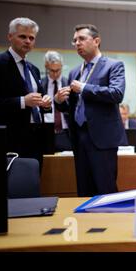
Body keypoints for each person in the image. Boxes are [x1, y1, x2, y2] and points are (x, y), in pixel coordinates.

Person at [55, 24, 126, 196]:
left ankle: (110, 223)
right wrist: (59, 102)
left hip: (102, 138)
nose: (77, 43)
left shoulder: (113, 65)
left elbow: (116, 94)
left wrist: (85, 88)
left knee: (105, 188)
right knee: (83, 189)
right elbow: (74, 106)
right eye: (74, 40)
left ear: (96, 41)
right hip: (79, 137)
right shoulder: (74, 72)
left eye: (82, 39)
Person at [0, 17, 52, 167]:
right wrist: (22, 101)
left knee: (33, 183)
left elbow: (40, 101)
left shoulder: (33, 69)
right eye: (22, 36)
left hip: (36, 137)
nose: (27, 41)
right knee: (13, 186)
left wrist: (46, 103)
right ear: (10, 37)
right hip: (10, 139)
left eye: (31, 38)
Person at [41, 51, 72, 151]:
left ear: (62, 66)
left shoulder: (69, 84)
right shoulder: (40, 84)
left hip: (66, 131)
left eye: (58, 70)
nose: (55, 73)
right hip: (45, 130)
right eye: (52, 70)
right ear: (46, 67)